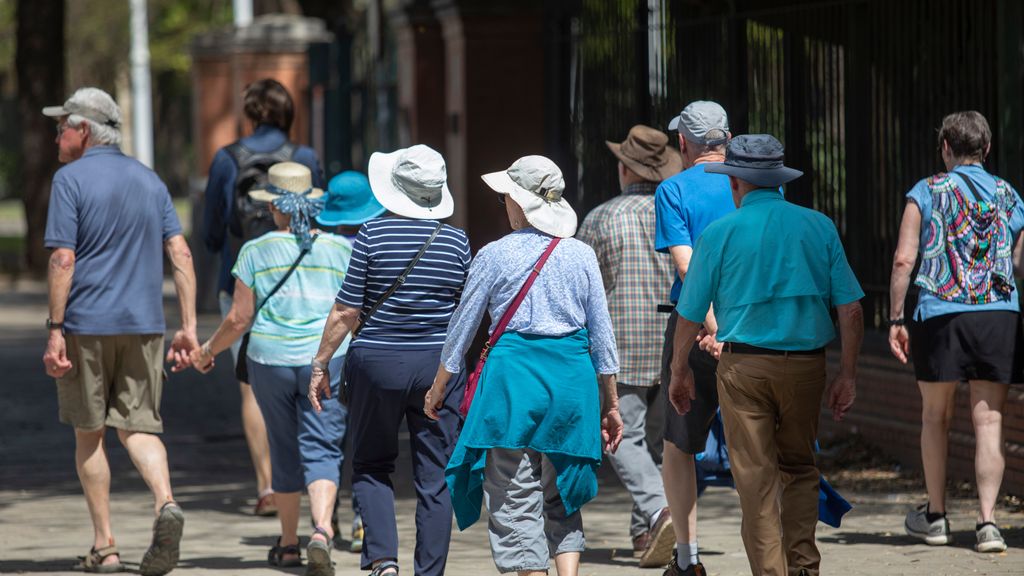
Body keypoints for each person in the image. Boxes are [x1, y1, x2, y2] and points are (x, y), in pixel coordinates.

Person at [668, 134, 863, 576]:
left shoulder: (718, 234)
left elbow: (689, 313)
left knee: (755, 484)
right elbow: (850, 310)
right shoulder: (819, 226)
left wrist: (680, 371)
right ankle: (804, 569)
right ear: (779, 181)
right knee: (799, 468)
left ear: (735, 183)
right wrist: (847, 375)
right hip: (807, 367)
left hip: (744, 367)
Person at [427, 155, 624, 576]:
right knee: (562, 490)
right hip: (572, 384)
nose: (505, 205)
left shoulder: (493, 254)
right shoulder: (581, 255)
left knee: (514, 495)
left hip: (512, 386)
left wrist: (440, 385)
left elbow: (463, 328)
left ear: (519, 201)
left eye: (506, 198)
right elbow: (602, 337)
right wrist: (610, 403)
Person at [41, 87, 196, 576]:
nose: (57, 135)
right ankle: (166, 502)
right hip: (145, 326)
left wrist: (55, 328)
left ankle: (105, 546)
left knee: (90, 435)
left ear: (84, 130)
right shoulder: (150, 181)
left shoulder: (69, 180)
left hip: (86, 325)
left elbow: (63, 258)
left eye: (61, 125)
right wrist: (189, 328)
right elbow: (182, 255)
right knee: (138, 427)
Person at [309, 144, 470, 576]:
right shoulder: (457, 241)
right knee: (436, 476)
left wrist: (322, 362)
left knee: (371, 463)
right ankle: (429, 572)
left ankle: (382, 561)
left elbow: (347, 311)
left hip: (376, 363)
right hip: (438, 368)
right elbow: (465, 311)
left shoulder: (371, 237)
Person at [190, 162, 352, 576]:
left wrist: (208, 349)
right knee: (323, 448)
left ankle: (287, 544)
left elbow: (239, 319)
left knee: (283, 448)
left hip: (270, 362)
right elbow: (353, 311)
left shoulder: (254, 251)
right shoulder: (340, 250)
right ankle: (321, 532)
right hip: (326, 361)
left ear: (274, 208)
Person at [888, 111, 1024, 553]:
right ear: (986, 149)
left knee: (936, 418)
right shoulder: (1008, 194)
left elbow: (904, 260)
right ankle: (988, 524)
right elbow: (1019, 261)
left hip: (940, 314)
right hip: (998, 315)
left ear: (945, 147)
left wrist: (894, 318)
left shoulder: (924, 192)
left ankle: (937, 516)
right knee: (989, 420)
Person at [203, 78, 325, 516]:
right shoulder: (305, 157)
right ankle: (313, 486)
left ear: (250, 115)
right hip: (303, 281)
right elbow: (321, 220)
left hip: (243, 278)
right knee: (310, 378)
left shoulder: (226, 158)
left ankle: (267, 486)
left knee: (252, 387)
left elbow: (212, 232)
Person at [576, 124, 679, 567]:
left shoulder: (600, 218)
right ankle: (644, 533)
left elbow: (579, 288)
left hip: (622, 345)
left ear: (623, 169)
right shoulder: (678, 214)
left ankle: (659, 510)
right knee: (654, 440)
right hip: (677, 339)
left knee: (620, 437)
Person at [653, 100, 735, 576]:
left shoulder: (673, 189)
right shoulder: (757, 184)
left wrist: (712, 330)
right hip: (753, 327)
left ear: (683, 143)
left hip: (695, 328)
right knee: (758, 443)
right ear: (727, 137)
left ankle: (688, 559)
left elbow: (688, 268)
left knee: (679, 445)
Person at [315, 169, 387, 554]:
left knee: (328, 443)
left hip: (325, 351)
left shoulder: (320, 246)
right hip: (359, 352)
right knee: (363, 440)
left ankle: (328, 517)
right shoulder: (373, 244)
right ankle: (362, 522)